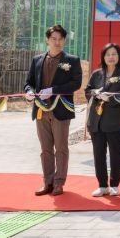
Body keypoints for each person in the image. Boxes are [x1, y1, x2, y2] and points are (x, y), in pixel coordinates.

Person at [24, 24, 83, 196]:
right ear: (47, 40)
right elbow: (29, 82)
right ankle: (47, 182)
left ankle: (59, 182)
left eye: (60, 39)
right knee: (45, 148)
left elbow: (76, 83)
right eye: (53, 39)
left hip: (61, 110)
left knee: (61, 148)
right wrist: (29, 92)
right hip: (41, 110)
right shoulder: (37, 60)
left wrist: (54, 90)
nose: (57, 42)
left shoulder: (72, 60)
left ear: (64, 40)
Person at [84, 43, 120, 197]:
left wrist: (110, 98)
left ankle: (114, 184)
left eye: (114, 54)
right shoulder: (96, 74)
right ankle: (102, 185)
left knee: (115, 153)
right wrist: (95, 93)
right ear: (103, 57)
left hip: (115, 120)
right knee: (98, 154)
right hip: (96, 120)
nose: (111, 57)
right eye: (108, 54)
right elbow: (87, 91)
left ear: (119, 56)